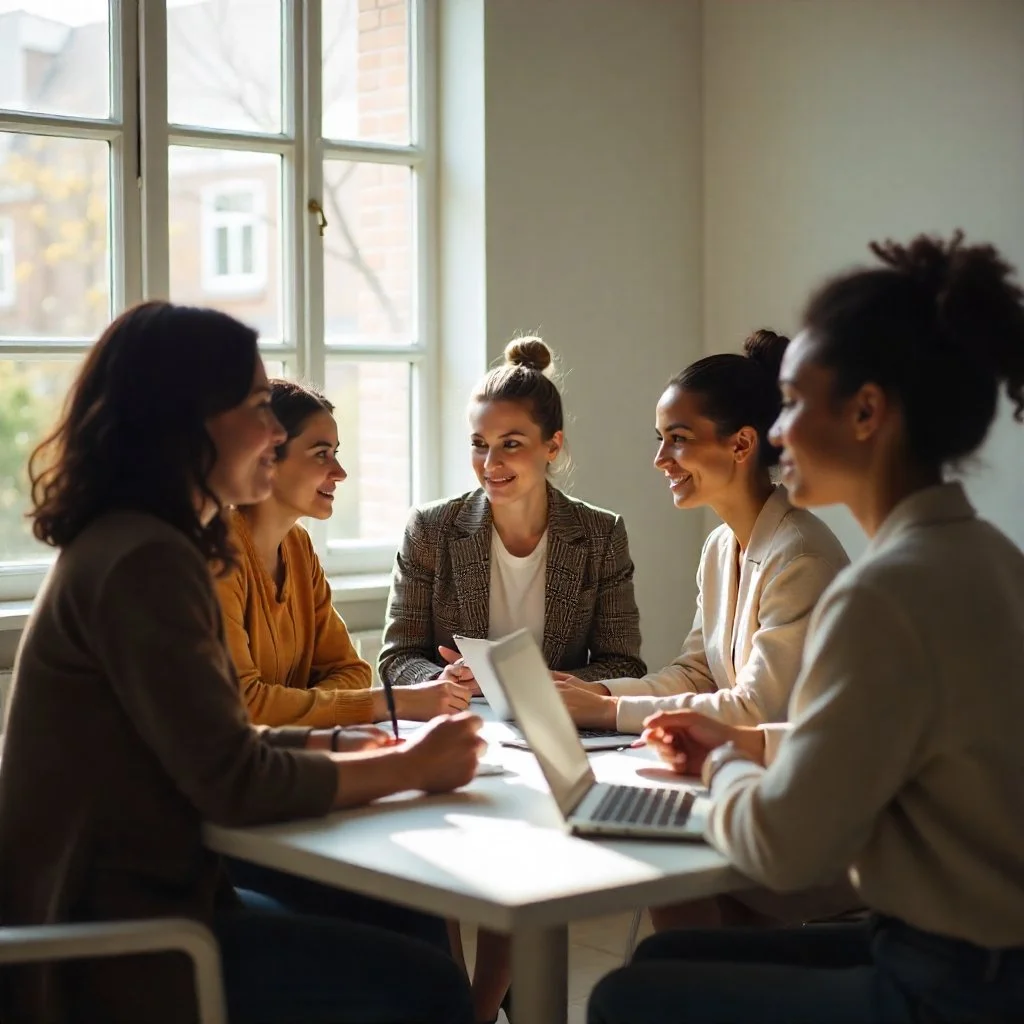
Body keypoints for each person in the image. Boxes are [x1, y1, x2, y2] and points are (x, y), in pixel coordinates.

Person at [0, 301, 483, 1024]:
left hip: (155, 893)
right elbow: (233, 781)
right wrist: (414, 767)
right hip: (111, 937)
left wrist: (327, 739)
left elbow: (211, 741)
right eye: (259, 406)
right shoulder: (148, 561)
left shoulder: (144, 542)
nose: (274, 431)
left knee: (402, 913)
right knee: (432, 989)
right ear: (189, 420)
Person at [589, 231, 1024, 1024]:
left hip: (953, 984)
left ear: (865, 413)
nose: (778, 431)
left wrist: (719, 771)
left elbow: (784, 847)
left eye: (793, 401)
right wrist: (744, 745)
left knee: (627, 997)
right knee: (668, 957)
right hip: (979, 956)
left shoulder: (884, 593)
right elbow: (895, 736)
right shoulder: (991, 558)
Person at [379, 336, 645, 1023]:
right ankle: (460, 1000)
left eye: (511, 445)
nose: (490, 464)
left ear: (553, 446)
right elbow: (396, 656)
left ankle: (474, 1007)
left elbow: (625, 665)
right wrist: (449, 678)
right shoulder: (432, 531)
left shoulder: (600, 535)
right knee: (444, 860)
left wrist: (559, 685)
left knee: (528, 861)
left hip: (551, 741)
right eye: (479, 445)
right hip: (464, 731)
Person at [558, 330, 852, 930]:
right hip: (745, 789)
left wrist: (603, 714)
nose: (660, 460)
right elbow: (696, 671)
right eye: (660, 440)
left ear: (742, 444)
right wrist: (596, 696)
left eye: (678, 440)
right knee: (656, 867)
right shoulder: (722, 546)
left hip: (807, 823)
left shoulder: (802, 557)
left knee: (658, 864)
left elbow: (756, 706)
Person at [217, 379, 475, 729]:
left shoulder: (298, 547)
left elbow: (352, 671)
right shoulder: (217, 557)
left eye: (335, 453)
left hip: (290, 755)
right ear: (268, 457)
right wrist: (392, 701)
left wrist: (301, 706)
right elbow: (244, 704)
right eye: (321, 454)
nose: (340, 473)